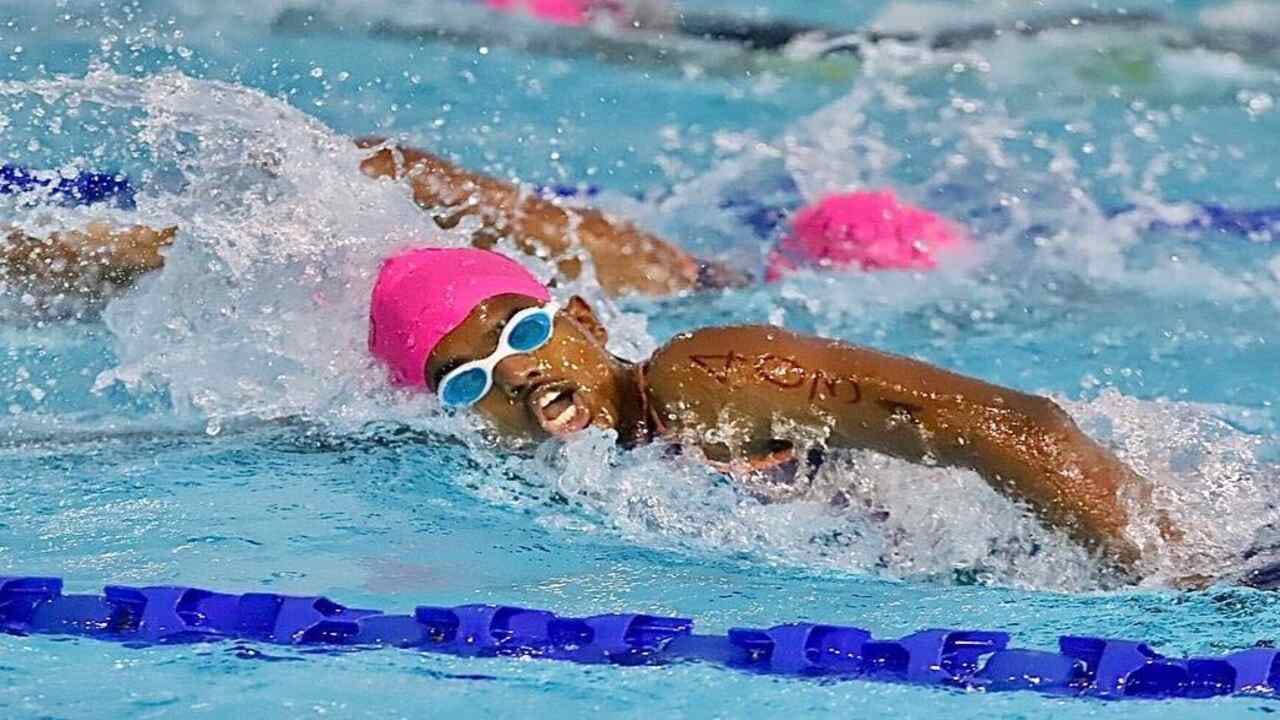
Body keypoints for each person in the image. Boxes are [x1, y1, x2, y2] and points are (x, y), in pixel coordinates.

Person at [369, 246, 1164, 577]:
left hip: (1140, 542)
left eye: (522, 330)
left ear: (585, 320)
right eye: (465, 381)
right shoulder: (561, 486)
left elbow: (1017, 428)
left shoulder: (702, 382)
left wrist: (1178, 576)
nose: (515, 374)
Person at [1, 138, 741, 304]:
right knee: (193, 250)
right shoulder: (638, 266)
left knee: (189, 250)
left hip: (389, 190)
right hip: (392, 190)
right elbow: (404, 170)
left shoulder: (634, 256)